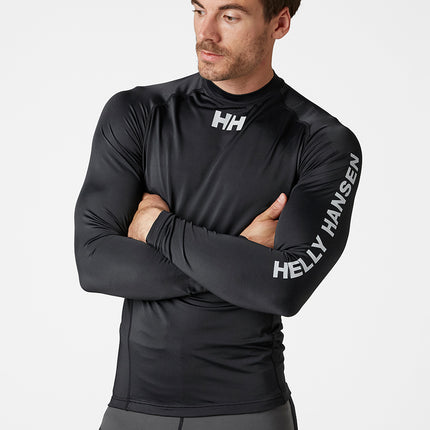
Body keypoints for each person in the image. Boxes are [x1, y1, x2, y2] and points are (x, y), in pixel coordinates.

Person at [73, 0, 362, 429]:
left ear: (280, 23)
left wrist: (157, 227)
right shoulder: (138, 112)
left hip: (248, 412)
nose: (206, 32)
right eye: (198, 10)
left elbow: (286, 288)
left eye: (229, 16)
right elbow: (94, 262)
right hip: (133, 410)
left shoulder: (322, 142)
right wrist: (242, 258)